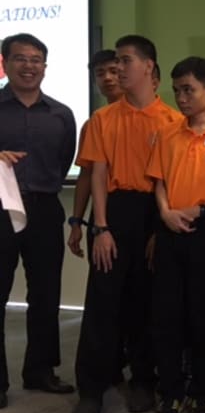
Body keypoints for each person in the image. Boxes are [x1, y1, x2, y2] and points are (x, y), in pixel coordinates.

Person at [72, 35, 181, 413]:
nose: (118, 68)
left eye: (125, 60)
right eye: (115, 61)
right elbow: (98, 172)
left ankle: (143, 381)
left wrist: (158, 232)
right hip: (113, 213)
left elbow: (170, 182)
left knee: (146, 302)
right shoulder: (103, 119)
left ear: (149, 67)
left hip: (154, 213)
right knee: (102, 302)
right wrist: (99, 227)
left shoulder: (172, 121)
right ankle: (90, 388)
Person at [145, 57, 205, 413]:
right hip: (170, 232)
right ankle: (170, 392)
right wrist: (166, 213)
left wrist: (200, 211)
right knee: (167, 316)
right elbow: (159, 181)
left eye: (189, 90)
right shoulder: (168, 133)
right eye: (177, 90)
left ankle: (201, 391)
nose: (181, 98)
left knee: (204, 316)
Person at [0, 33, 77, 409]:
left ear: (45, 66)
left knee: (46, 294)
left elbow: (64, 161)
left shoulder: (61, 113)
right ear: (5, 63)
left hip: (45, 208)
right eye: (20, 59)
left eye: (36, 59)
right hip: (0, 211)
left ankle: (41, 371)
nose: (29, 66)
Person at [67, 50, 124, 260]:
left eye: (113, 71)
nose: (107, 78)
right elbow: (86, 175)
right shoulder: (93, 124)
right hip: (103, 211)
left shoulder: (156, 118)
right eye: (100, 73)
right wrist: (76, 221)